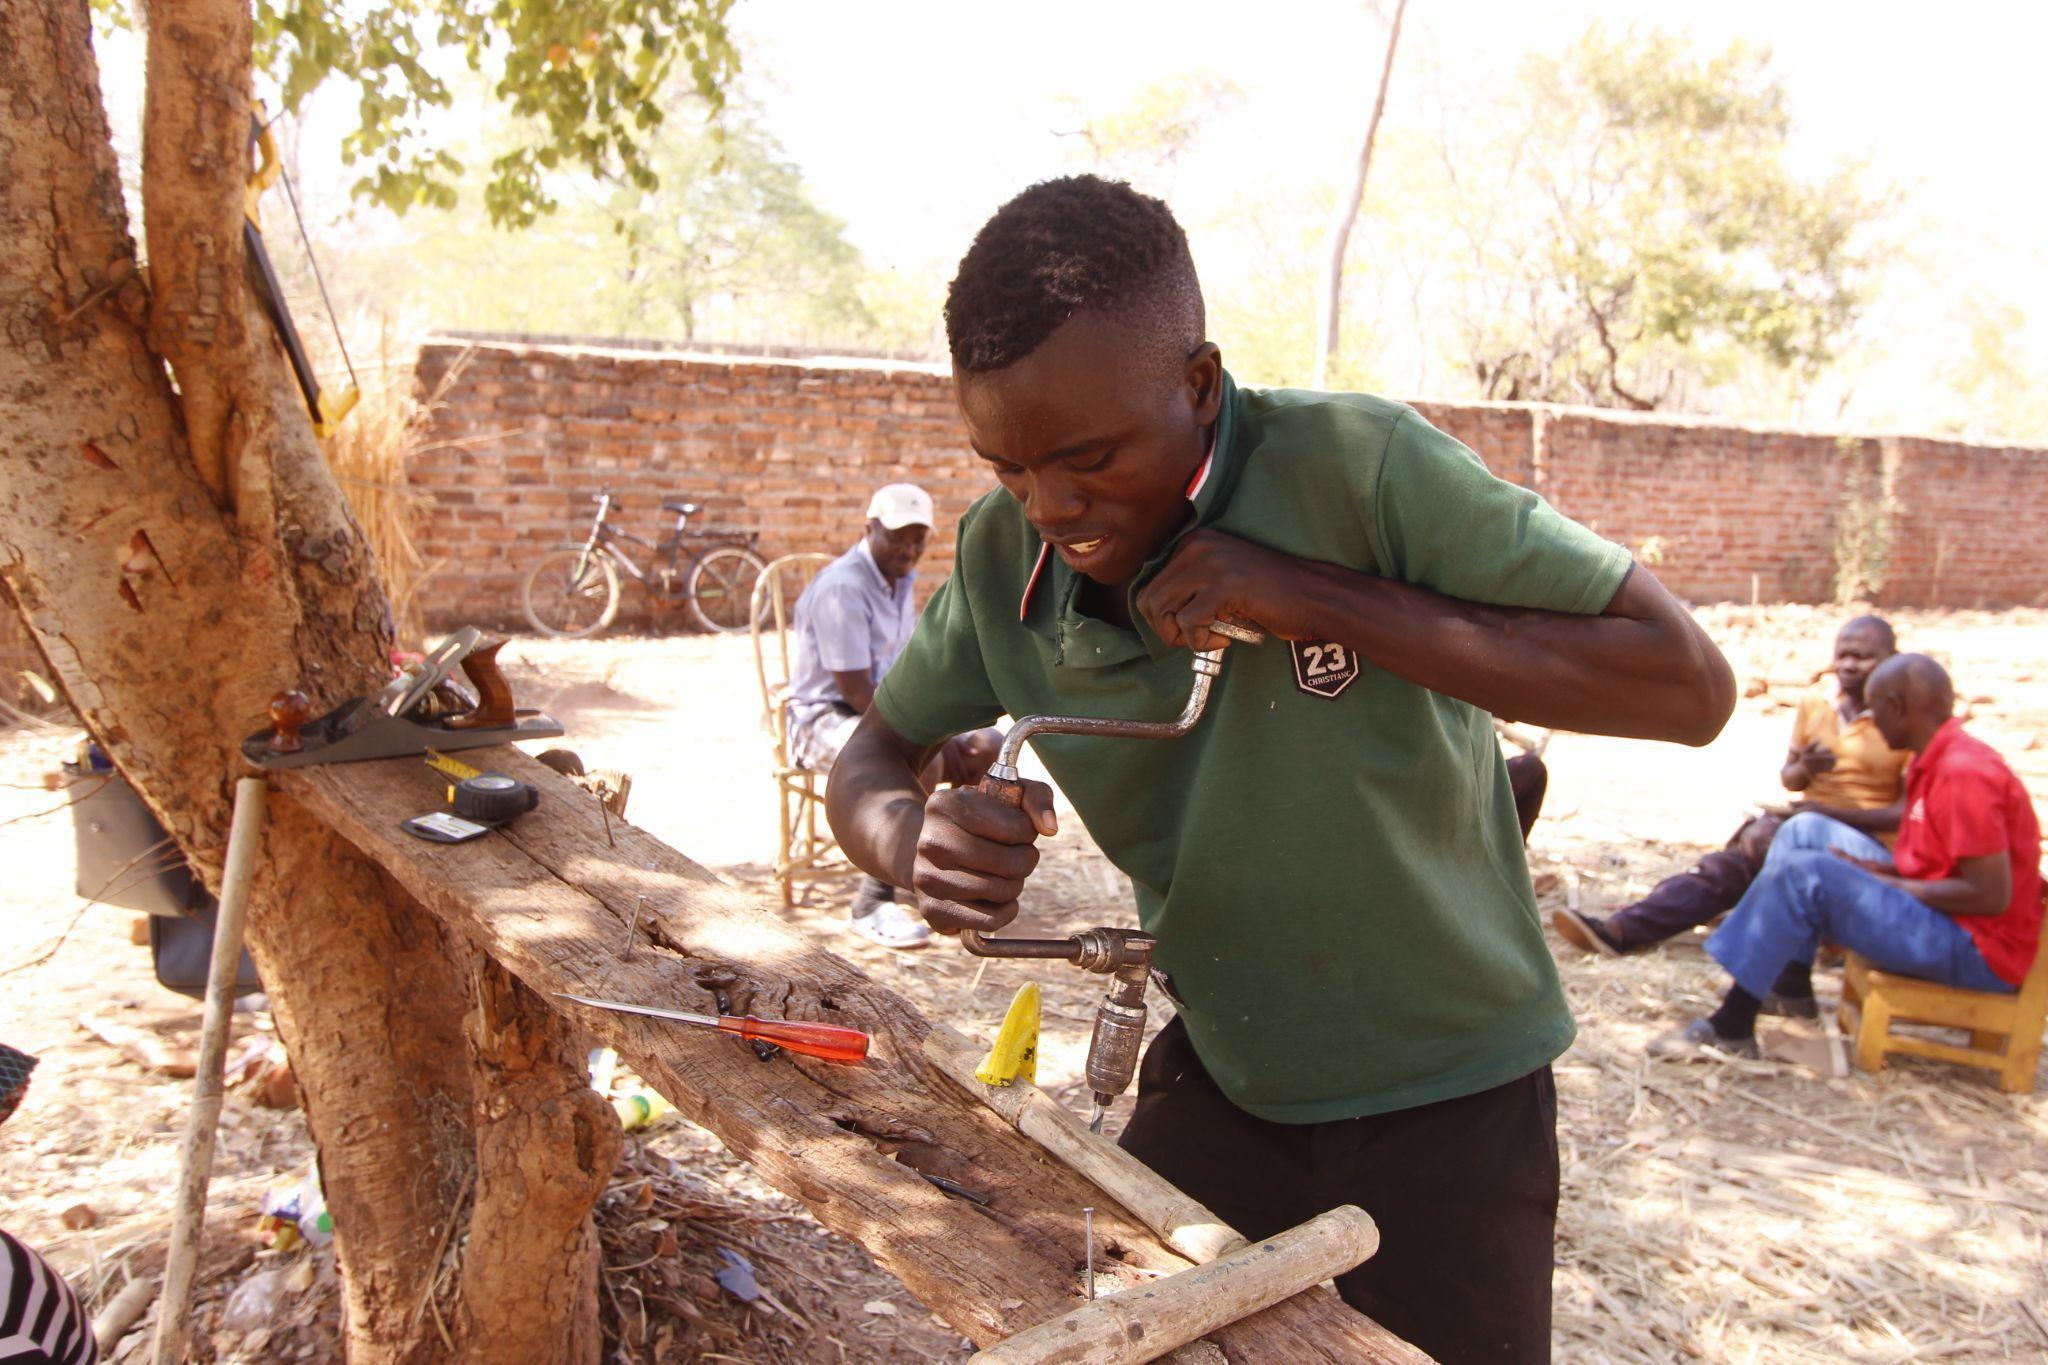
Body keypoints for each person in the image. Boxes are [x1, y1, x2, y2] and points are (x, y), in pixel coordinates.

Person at [824, 176, 1734, 1363]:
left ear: (1198, 385)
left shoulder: (1357, 470)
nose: (1050, 505)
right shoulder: (1005, 564)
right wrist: (909, 845)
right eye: (1008, 468)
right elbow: (870, 757)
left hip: (1452, 1098)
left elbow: (1687, 686)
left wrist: (1311, 596)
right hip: (1228, 1074)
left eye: (1088, 457)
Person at [1649, 654, 2043, 1059]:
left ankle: (1731, 1025)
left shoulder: (1964, 773)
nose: (1870, 718)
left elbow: (1990, 895)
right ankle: (1782, 984)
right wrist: (1875, 871)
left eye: (1875, 708)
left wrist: (1890, 885)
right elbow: (1941, 865)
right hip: (1953, 927)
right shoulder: (1938, 760)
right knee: (1807, 847)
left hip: (1980, 951)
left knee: (1808, 874)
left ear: (1897, 706)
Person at [1553, 616, 1908, 976]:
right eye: (1842, 655)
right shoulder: (1817, 702)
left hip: (1864, 843)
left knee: (1760, 844)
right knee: (1727, 866)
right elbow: (1791, 777)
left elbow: (1908, 812)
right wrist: (1806, 771)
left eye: (1862, 657)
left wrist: (1825, 816)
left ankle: (1781, 964)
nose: (1849, 665)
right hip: (1804, 820)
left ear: (1892, 658)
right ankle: (1622, 929)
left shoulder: (1902, 716)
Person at [785, 483, 999, 948]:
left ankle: (956, 871)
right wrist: (933, 735)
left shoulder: (898, 577)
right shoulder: (844, 586)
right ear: (869, 529)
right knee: (926, 757)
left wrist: (947, 729)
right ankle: (876, 899)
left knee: (988, 744)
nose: (909, 548)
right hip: (821, 717)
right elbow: (857, 691)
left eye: (918, 538)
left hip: (875, 708)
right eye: (897, 536)